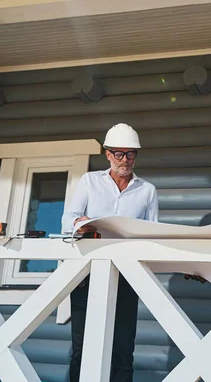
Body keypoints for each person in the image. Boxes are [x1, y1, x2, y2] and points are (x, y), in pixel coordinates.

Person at [61, 123, 158, 382]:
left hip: (127, 278)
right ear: (107, 154)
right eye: (119, 154)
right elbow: (67, 219)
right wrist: (86, 223)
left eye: (131, 154)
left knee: (123, 351)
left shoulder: (147, 190)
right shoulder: (90, 181)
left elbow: (153, 234)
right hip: (87, 276)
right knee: (82, 350)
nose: (125, 160)